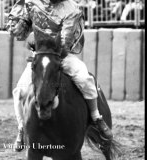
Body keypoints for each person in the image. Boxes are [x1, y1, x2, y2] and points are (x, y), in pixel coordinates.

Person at [6, 0, 113, 151]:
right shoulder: (31, 3)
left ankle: (96, 117)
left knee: (85, 78)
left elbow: (64, 42)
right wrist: (18, 26)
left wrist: (38, 42)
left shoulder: (71, 8)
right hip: (40, 56)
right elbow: (20, 32)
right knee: (20, 90)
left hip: (61, 55)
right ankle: (22, 128)